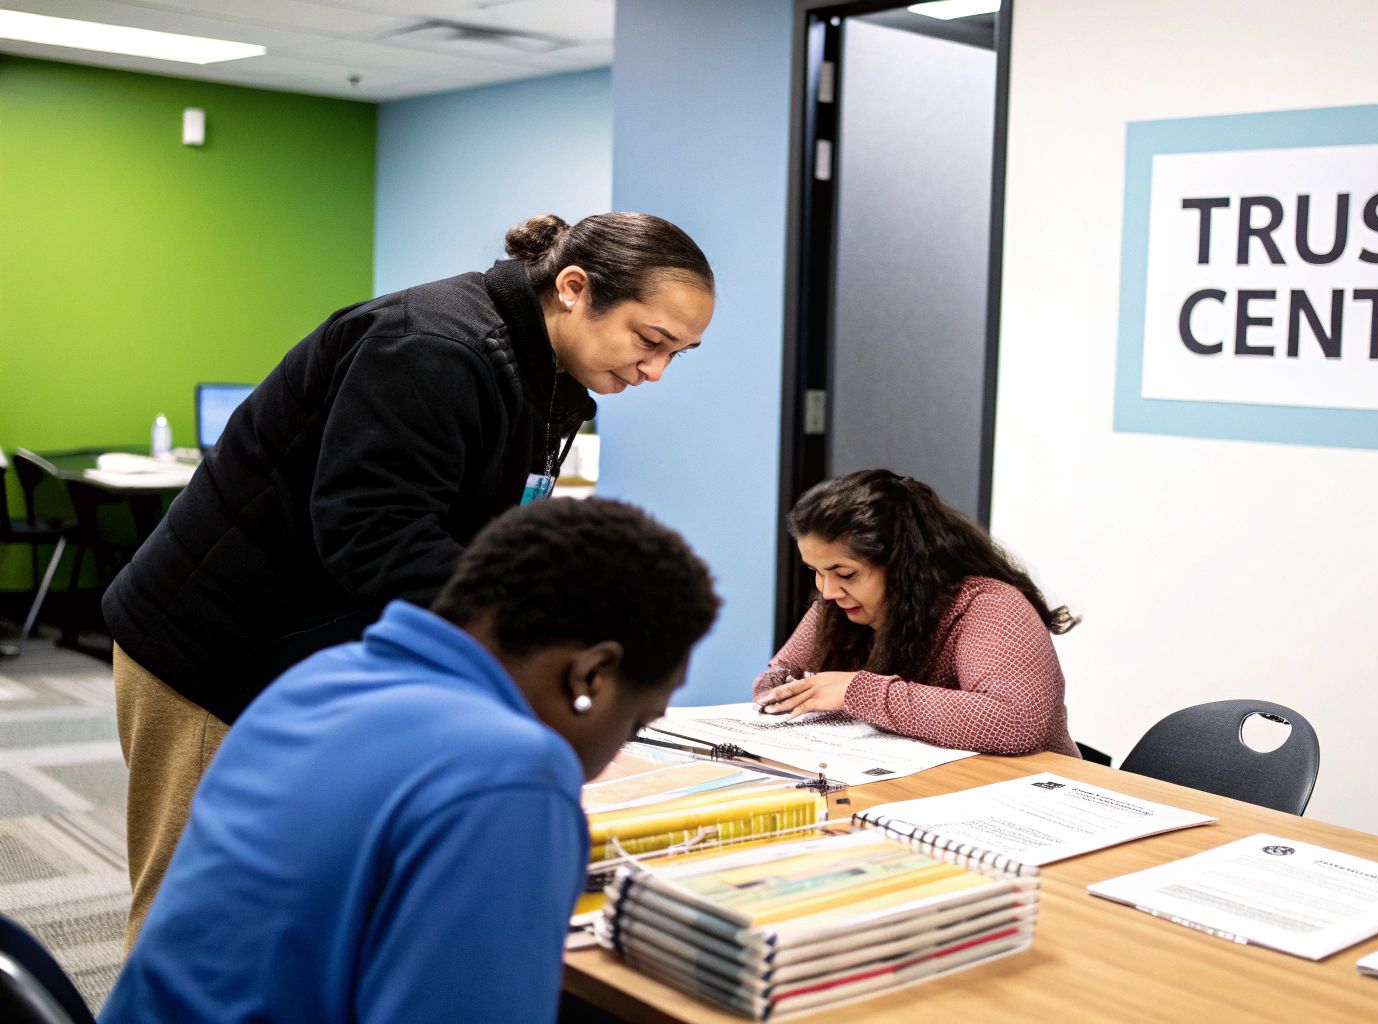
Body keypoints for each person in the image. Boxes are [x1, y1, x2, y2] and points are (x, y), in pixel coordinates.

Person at [101, 211, 715, 944]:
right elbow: (373, 536)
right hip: (221, 654)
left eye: (679, 354)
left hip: (316, 656)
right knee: (199, 919)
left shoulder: (542, 374)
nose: (655, 372)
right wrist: (534, 635)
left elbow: (478, 532)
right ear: (574, 288)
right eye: (650, 342)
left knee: (291, 909)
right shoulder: (429, 346)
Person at [100, 497, 719, 1024]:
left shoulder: (316, 680)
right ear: (593, 673)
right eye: (637, 722)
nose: (614, 756)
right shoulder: (510, 774)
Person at [753, 469, 1081, 757]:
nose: (827, 591)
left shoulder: (989, 604)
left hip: (1028, 797)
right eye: (816, 571)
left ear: (903, 566)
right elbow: (782, 672)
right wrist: (779, 689)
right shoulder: (842, 604)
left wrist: (860, 692)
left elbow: (1015, 722)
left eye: (845, 573)